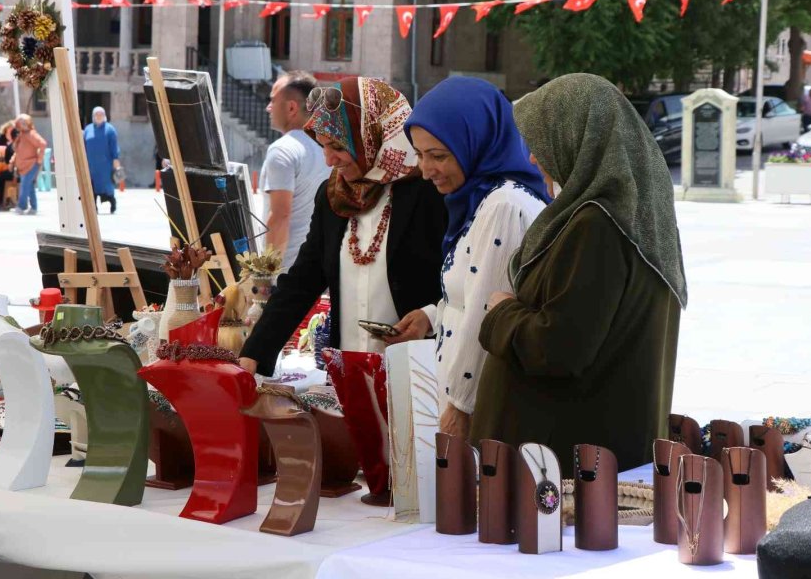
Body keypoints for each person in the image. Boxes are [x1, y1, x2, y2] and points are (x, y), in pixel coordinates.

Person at [470, 74, 688, 472]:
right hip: (581, 458)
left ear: (576, 139)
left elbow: (559, 347)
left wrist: (500, 311)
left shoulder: (597, 227)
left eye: (540, 142)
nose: (534, 159)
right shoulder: (635, 221)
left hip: (566, 469)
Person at [238, 78, 446, 377]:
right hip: (349, 372)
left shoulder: (427, 193)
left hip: (416, 373)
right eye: (322, 146)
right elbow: (303, 280)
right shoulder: (333, 195)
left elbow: (459, 283)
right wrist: (256, 352)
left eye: (337, 146)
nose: (328, 159)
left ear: (372, 136)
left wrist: (430, 315)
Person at [388, 77, 550, 439]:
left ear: (476, 144)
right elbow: (474, 287)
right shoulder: (481, 199)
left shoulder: (504, 206)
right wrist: (432, 316)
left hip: (480, 411)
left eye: (439, 156)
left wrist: (460, 407)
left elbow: (487, 314)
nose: (425, 170)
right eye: (419, 154)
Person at [261, 71, 331, 272]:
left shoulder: (282, 150)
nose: (268, 108)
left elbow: (280, 215)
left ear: (291, 107)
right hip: (316, 269)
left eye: (273, 101)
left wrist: (266, 274)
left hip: (285, 272)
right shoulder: (327, 149)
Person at [83, 106, 121, 213]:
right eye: (96, 114)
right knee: (92, 186)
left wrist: (116, 162)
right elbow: (83, 146)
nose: (98, 116)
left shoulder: (110, 130)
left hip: (106, 165)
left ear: (104, 116)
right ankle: (93, 207)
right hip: (91, 165)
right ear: (93, 116)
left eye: (101, 114)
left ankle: (112, 204)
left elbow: (114, 147)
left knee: (107, 186)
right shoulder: (88, 129)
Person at [11, 114, 47, 215]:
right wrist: (12, 162)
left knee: (25, 185)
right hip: (23, 165)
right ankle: (34, 207)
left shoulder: (31, 134)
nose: (22, 125)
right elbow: (18, 151)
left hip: (31, 164)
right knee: (29, 186)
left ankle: (21, 207)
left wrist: (39, 159)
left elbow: (43, 144)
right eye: (20, 123)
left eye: (24, 123)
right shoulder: (22, 135)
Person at [0, 121, 16, 210]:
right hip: (4, 164)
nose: (10, 132)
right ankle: (1, 201)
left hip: (15, 168)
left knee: (0, 177)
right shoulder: (1, 139)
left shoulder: (15, 140)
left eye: (12, 130)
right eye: (9, 130)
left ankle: (3, 201)